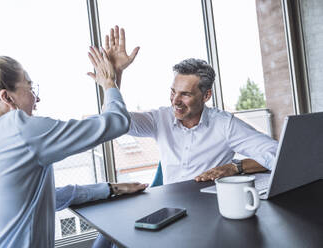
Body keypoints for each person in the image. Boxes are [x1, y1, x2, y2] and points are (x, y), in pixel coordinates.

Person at [0, 43, 148, 248]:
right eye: (29, 87)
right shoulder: (20, 130)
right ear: (7, 97)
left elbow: (39, 198)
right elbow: (117, 122)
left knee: (110, 235)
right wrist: (110, 82)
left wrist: (109, 188)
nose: (37, 98)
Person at [104, 26, 278, 184]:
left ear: (206, 95)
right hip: (170, 205)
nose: (175, 100)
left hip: (209, 205)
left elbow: (277, 153)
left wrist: (235, 167)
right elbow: (114, 122)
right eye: (173, 92)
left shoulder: (225, 124)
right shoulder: (159, 118)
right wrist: (114, 76)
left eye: (185, 94)